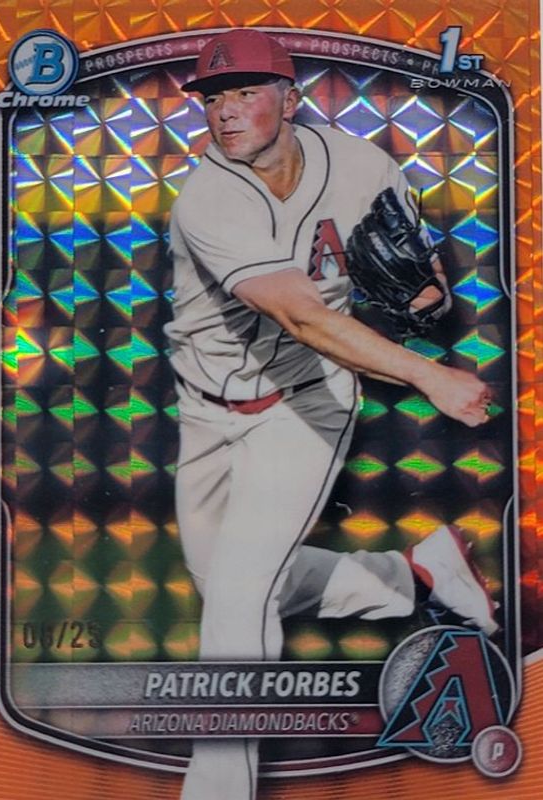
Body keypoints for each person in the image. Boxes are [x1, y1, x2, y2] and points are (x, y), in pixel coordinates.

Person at [165, 28, 498, 800]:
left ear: (290, 98)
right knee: (224, 580)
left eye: (244, 92)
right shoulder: (209, 197)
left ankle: (218, 790)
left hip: (308, 400)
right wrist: (429, 376)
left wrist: (424, 297)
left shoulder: (361, 166)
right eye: (213, 97)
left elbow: (421, 279)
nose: (225, 110)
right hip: (208, 409)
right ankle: (413, 576)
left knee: (239, 596)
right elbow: (301, 315)